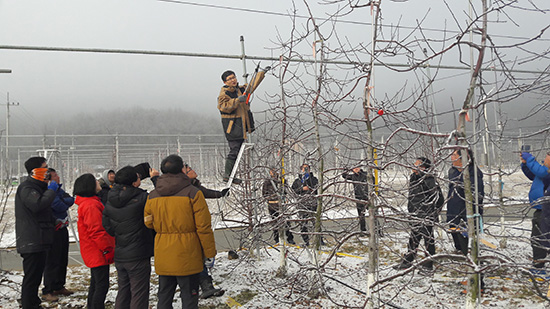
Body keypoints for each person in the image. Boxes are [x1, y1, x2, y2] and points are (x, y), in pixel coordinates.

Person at [144, 155, 216, 309]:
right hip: (188, 253)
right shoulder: (193, 193)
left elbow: (148, 222)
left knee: (164, 295)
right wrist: (209, 251)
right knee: (189, 296)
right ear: (181, 169)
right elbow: (203, 226)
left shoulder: (152, 195)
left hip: (163, 252)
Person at [102, 166, 159, 308]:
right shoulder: (142, 198)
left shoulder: (110, 198)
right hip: (138, 254)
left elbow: (108, 227)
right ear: (134, 183)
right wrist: (155, 179)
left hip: (121, 253)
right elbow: (161, 199)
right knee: (139, 294)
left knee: (124, 291)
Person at [15, 157, 57, 307]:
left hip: (40, 238)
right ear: (36, 171)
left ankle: (33, 302)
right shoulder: (27, 188)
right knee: (32, 277)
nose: (48, 171)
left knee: (36, 275)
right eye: (45, 168)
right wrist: (51, 190)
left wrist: (53, 222)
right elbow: (37, 205)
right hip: (31, 239)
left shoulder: (38, 188)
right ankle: (28, 304)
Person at [181, 164, 227, 299]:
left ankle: (201, 287)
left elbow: (205, 192)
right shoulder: (187, 189)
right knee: (198, 258)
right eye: (189, 170)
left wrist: (220, 194)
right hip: (191, 229)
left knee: (198, 259)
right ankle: (203, 287)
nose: (193, 170)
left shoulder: (194, 186)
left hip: (193, 230)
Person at [217, 68, 267, 184]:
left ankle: (231, 175)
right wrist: (237, 100)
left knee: (238, 151)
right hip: (233, 126)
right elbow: (223, 106)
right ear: (225, 82)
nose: (232, 80)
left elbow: (251, 86)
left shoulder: (240, 90)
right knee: (234, 150)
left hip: (240, 126)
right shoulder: (224, 93)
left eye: (233, 77)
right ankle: (228, 175)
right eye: (229, 79)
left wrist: (261, 73)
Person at [74, 173, 115, 309]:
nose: (99, 183)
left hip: (93, 250)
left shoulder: (88, 203)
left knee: (96, 283)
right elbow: (97, 231)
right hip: (98, 251)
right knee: (101, 285)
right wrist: (107, 249)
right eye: (96, 182)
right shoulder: (91, 205)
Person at [395, 158, 444, 272]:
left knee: (428, 240)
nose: (414, 166)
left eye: (417, 164)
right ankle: (407, 261)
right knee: (413, 239)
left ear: (423, 167)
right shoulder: (414, 178)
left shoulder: (429, 179)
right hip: (415, 214)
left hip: (426, 215)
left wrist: (433, 212)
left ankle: (428, 265)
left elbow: (439, 198)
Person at [42, 168, 75, 300]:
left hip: (62, 227)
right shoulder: (48, 191)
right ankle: (48, 289)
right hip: (52, 229)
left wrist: (63, 201)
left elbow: (70, 200)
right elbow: (58, 205)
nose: (58, 178)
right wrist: (63, 201)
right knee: (52, 260)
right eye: (55, 176)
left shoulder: (58, 190)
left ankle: (59, 285)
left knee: (62, 257)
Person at [446, 149, 484, 255]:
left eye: (454, 155)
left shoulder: (473, 173)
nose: (451, 157)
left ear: (463, 157)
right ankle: (459, 251)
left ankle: (470, 256)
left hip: (466, 211)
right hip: (453, 209)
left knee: (465, 236)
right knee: (455, 233)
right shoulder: (452, 171)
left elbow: (477, 195)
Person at [520, 151, 550, 273]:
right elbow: (533, 175)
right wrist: (525, 165)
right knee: (539, 238)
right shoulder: (544, 171)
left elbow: (541, 172)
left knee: (539, 238)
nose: (544, 160)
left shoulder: (546, 172)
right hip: (540, 208)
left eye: (547, 158)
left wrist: (530, 160)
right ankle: (539, 265)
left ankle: (539, 267)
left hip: (545, 209)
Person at [262, 168, 295, 245]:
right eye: (271, 171)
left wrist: (283, 186)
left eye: (274, 170)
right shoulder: (267, 182)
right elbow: (264, 194)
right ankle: (277, 239)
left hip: (282, 205)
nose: (273, 172)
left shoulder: (281, 180)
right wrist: (272, 197)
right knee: (275, 223)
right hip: (272, 205)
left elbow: (286, 190)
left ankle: (290, 238)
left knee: (286, 222)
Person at [291, 164, 320, 247]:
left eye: (307, 168)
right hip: (301, 204)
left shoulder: (314, 179)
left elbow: (316, 187)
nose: (305, 170)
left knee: (315, 222)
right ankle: (305, 241)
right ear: (301, 169)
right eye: (304, 168)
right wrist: (301, 189)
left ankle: (319, 239)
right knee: (303, 224)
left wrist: (308, 181)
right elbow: (293, 191)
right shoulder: (297, 181)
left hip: (312, 203)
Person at [342, 167, 370, 233]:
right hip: (358, 198)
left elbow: (373, 182)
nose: (356, 169)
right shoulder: (353, 177)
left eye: (357, 168)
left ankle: (378, 230)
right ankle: (363, 231)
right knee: (361, 216)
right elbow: (344, 176)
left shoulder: (366, 175)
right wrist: (345, 169)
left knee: (373, 214)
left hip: (367, 198)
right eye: (354, 168)